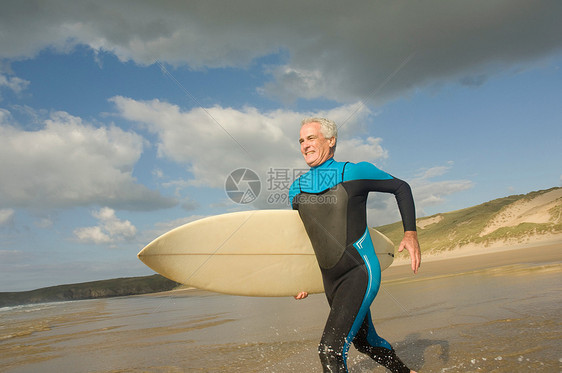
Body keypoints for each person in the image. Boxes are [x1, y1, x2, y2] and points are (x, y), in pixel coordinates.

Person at [288, 118, 421, 373]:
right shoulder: (295, 190)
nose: (305, 145)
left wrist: (410, 233)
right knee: (364, 341)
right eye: (301, 141)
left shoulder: (355, 172)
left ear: (331, 141)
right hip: (330, 280)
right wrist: (297, 279)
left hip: (359, 271)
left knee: (330, 350)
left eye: (311, 138)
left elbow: (401, 187)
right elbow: (305, 239)